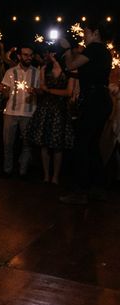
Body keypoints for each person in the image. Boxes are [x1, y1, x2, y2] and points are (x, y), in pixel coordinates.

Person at [58, 24, 113, 204]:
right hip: (101, 99)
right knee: (91, 144)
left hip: (95, 100)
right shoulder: (102, 52)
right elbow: (84, 73)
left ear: (96, 32)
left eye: (86, 33)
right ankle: (99, 188)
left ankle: (81, 191)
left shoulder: (95, 48)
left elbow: (72, 64)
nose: (84, 36)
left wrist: (67, 49)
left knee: (81, 143)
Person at [25, 48, 75, 185]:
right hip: (45, 110)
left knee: (57, 146)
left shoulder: (69, 70)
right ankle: (46, 176)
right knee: (44, 145)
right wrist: (35, 91)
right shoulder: (44, 69)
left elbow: (69, 92)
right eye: (47, 53)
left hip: (59, 111)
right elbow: (42, 91)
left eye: (51, 53)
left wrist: (49, 90)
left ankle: (56, 177)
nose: (48, 55)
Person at [0, 45, 40, 178]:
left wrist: (36, 91)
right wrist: (2, 89)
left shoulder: (37, 73)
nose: (29, 57)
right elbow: (5, 94)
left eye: (30, 55)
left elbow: (42, 91)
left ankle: (22, 172)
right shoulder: (10, 72)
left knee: (27, 144)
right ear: (19, 56)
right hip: (11, 112)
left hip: (29, 113)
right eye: (25, 55)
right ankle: (7, 170)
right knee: (8, 143)